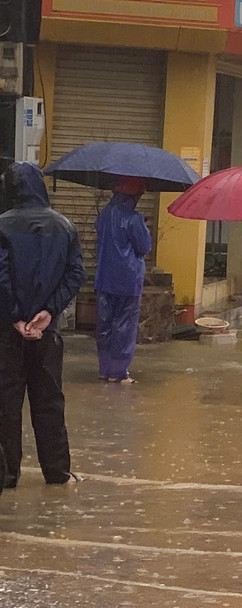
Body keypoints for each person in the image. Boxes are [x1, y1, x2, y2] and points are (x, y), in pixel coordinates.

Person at [0, 162, 86, 488]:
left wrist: (15, 316)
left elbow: (1, 277)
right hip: (47, 333)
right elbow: (75, 274)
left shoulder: (2, 226)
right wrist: (49, 312)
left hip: (6, 333)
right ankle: (58, 474)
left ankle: (7, 477)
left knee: (6, 405)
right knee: (49, 402)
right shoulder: (65, 227)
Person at [94, 176, 151, 383]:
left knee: (105, 325)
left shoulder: (104, 214)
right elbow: (144, 247)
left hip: (104, 278)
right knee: (124, 326)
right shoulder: (134, 219)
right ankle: (118, 373)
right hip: (128, 279)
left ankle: (105, 368)